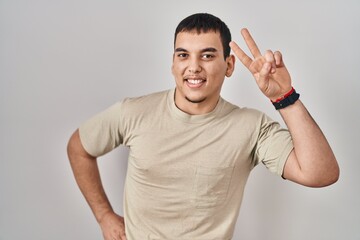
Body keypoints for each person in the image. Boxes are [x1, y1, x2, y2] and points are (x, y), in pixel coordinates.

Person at [67, 13, 339, 240]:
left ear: (229, 65)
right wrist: (104, 215)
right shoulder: (133, 112)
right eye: (183, 55)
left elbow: (320, 174)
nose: (193, 67)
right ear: (173, 63)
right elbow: (79, 148)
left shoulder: (251, 127)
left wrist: (284, 97)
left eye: (208, 56)